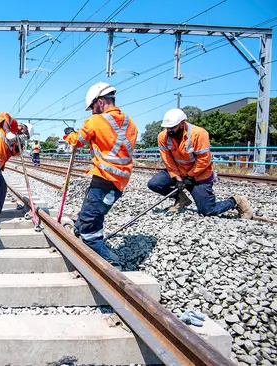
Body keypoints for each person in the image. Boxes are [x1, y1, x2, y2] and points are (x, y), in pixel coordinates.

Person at [63, 82, 137, 270]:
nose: (92, 112)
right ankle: (79, 229)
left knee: (90, 228)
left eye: (93, 108)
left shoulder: (95, 121)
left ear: (101, 102)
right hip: (119, 183)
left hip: (103, 180)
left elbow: (78, 141)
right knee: (91, 216)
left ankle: (109, 264)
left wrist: (69, 134)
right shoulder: (130, 122)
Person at [147, 108, 253, 218]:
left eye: (172, 127)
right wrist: (178, 179)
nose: (169, 131)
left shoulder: (199, 134)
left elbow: (204, 160)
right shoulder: (162, 137)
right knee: (154, 184)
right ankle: (181, 198)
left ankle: (236, 201)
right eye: (167, 128)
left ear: (182, 123)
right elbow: (167, 160)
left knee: (207, 211)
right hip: (179, 172)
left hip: (199, 175)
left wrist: (190, 177)